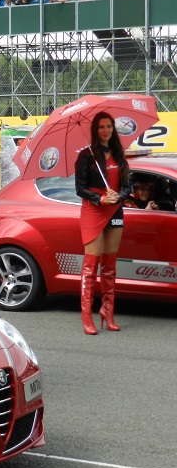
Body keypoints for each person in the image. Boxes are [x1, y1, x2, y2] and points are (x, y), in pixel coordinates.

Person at [75, 112, 131, 334]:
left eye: (109, 126)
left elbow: (128, 186)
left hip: (115, 210)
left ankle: (107, 313)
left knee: (109, 267)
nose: (106, 130)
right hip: (93, 211)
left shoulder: (119, 154)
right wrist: (99, 198)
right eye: (101, 127)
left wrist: (119, 196)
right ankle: (86, 316)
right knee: (90, 268)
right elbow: (79, 188)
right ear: (95, 130)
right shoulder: (85, 156)